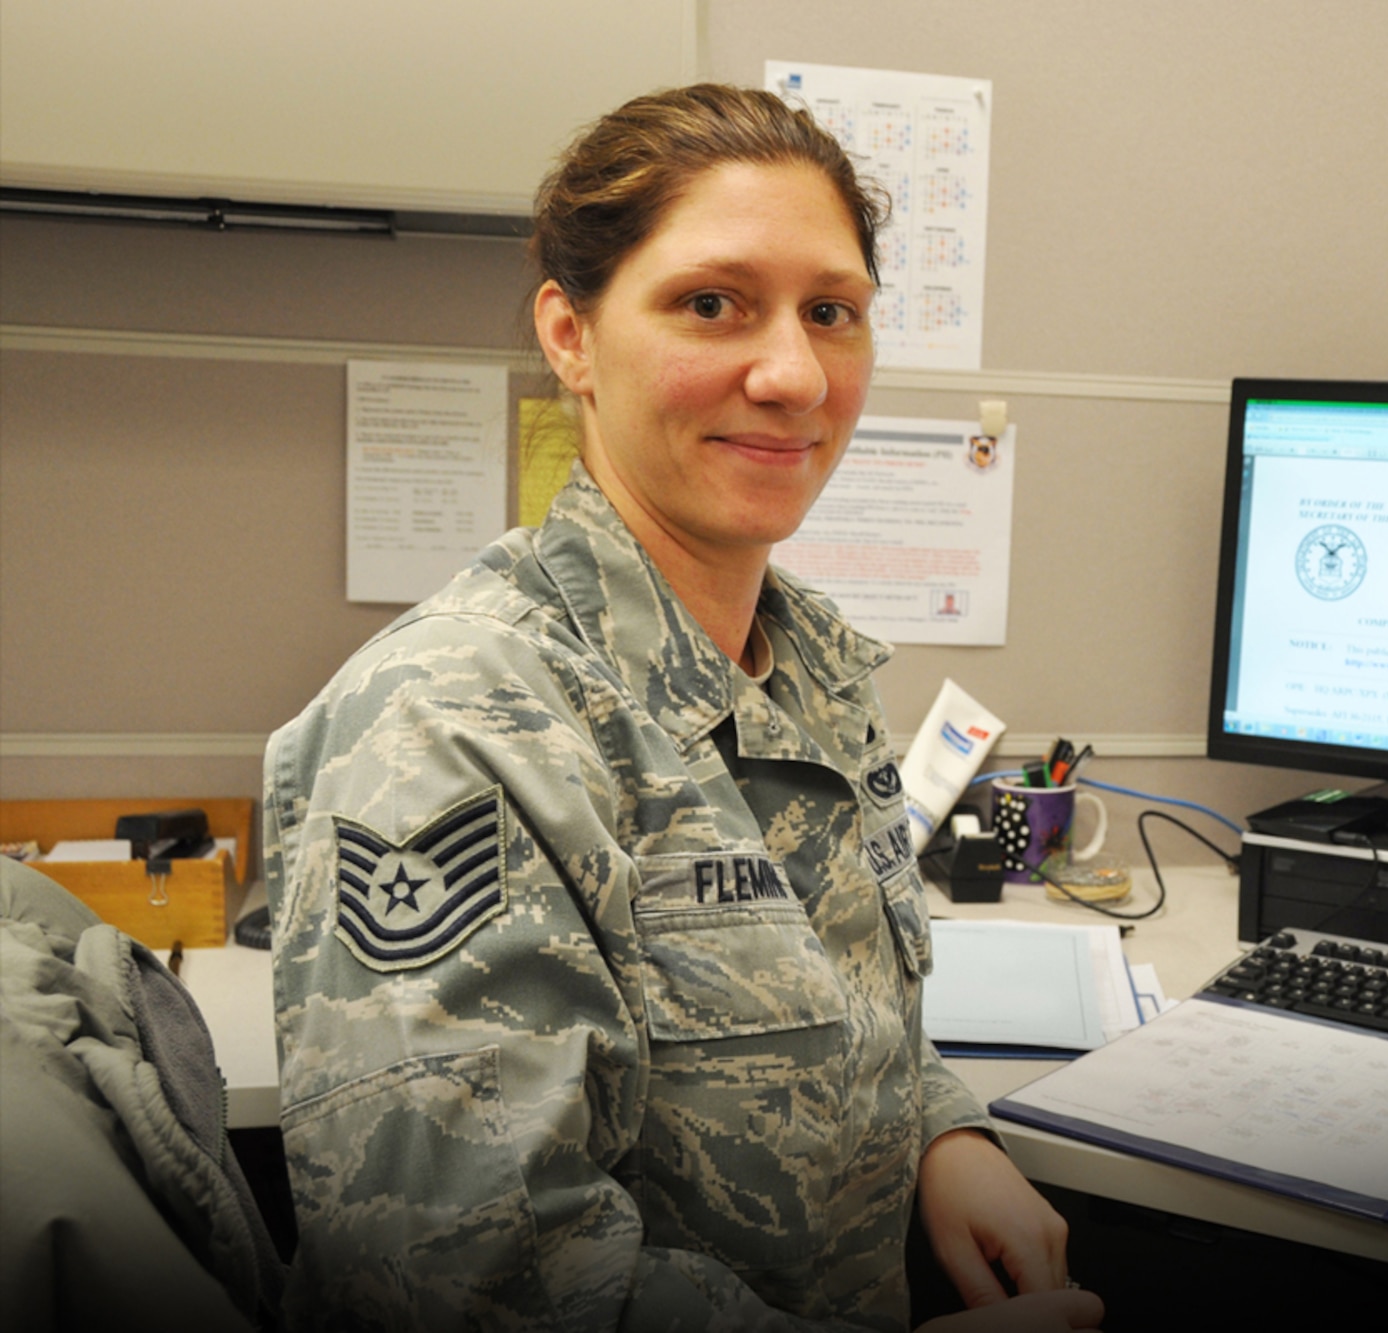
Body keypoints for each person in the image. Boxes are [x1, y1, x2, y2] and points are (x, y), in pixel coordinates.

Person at [263, 84, 1104, 1333]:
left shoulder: (809, 666)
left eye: (833, 312)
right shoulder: (453, 725)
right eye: (712, 304)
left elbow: (836, 1008)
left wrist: (941, 1133)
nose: (792, 373)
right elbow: (460, 1284)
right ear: (570, 335)